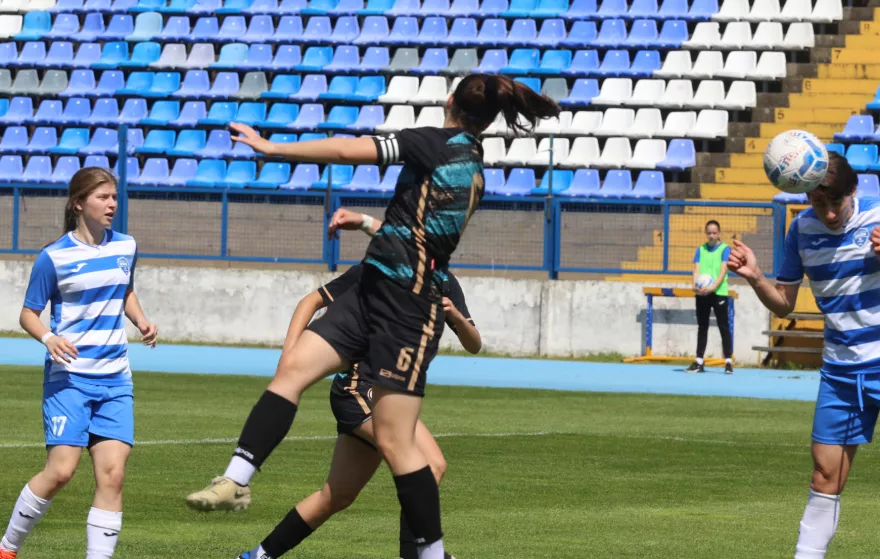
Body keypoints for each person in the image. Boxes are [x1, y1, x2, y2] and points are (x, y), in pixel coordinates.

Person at [185, 74, 559, 559]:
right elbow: (412, 231)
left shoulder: (435, 142)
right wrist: (365, 222)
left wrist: (272, 149)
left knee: (398, 444)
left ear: (449, 102)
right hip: (373, 289)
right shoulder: (470, 165)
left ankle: (429, 553)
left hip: (405, 307)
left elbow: (346, 151)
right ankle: (236, 479)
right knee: (293, 372)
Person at [727, 153, 880, 559]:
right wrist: (756, 277)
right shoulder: (800, 231)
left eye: (836, 202)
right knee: (824, 476)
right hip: (840, 374)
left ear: (853, 191)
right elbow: (783, 305)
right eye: (819, 203)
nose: (829, 213)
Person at [235, 209, 480, 559]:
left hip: (388, 394)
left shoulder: (446, 283)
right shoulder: (380, 268)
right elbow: (312, 300)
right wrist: (289, 357)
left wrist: (455, 316)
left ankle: (257, 556)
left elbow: (474, 343)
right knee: (430, 466)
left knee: (337, 495)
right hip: (359, 387)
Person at [0, 168, 158, 559]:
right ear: (78, 204)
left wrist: (140, 320)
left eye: (114, 197)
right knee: (61, 472)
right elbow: (28, 314)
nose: (112, 205)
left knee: (113, 475)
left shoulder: (126, 246)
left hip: (116, 379)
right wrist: (49, 338)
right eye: (103, 197)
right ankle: (7, 548)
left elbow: (125, 290)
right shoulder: (53, 257)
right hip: (69, 379)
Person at [687, 220, 734, 374]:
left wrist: (713, 288)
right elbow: (696, 270)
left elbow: (723, 271)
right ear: (706, 233)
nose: (712, 236)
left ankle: (728, 361)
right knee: (702, 327)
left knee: (723, 326)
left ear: (719, 233)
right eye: (709, 233)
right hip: (702, 293)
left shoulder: (724, 249)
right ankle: (699, 361)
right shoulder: (700, 249)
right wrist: (695, 285)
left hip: (718, 292)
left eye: (714, 233)